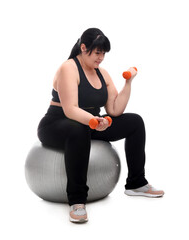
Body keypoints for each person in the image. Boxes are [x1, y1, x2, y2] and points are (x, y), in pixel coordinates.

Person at [37, 28, 164, 223]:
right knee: (78, 129)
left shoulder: (102, 74)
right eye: (97, 52)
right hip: (57, 124)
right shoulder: (68, 68)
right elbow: (70, 109)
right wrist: (95, 121)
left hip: (90, 124)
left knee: (135, 122)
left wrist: (128, 83)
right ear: (83, 48)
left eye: (103, 53)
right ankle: (77, 201)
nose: (101, 58)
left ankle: (136, 183)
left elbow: (114, 109)